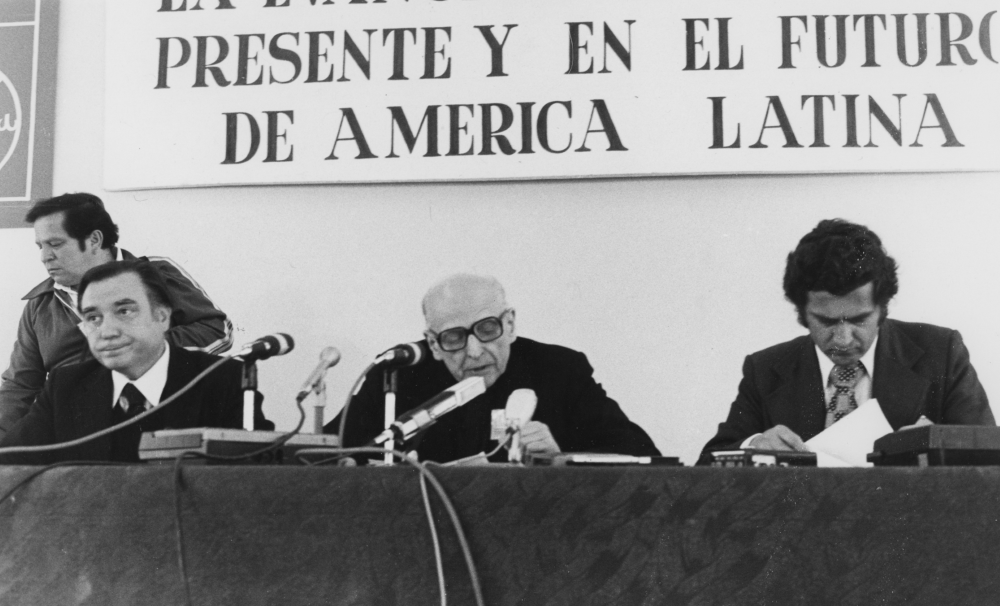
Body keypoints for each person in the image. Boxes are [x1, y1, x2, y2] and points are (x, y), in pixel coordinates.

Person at [701, 219, 994, 457]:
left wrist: (937, 443)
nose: (842, 339)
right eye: (826, 321)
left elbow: (990, 458)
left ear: (883, 308)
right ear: (802, 312)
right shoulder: (765, 369)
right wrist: (753, 446)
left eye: (859, 320)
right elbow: (708, 462)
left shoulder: (941, 353)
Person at [328, 273, 660, 463]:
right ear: (432, 343)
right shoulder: (397, 376)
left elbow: (643, 457)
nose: (473, 351)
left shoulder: (559, 371)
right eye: (454, 338)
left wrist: (564, 458)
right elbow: (327, 452)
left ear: (510, 324)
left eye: (487, 330)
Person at [0, 193, 234, 438]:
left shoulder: (156, 274)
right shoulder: (40, 304)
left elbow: (218, 331)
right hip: (72, 431)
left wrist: (139, 353)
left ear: (94, 240)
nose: (45, 256)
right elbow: (20, 386)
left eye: (56, 244)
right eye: (41, 246)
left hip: (155, 418)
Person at [0, 260, 243, 464]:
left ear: (162, 316)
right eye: (93, 317)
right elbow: (9, 461)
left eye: (124, 312)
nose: (107, 331)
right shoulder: (65, 387)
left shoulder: (223, 380)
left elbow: (255, 478)